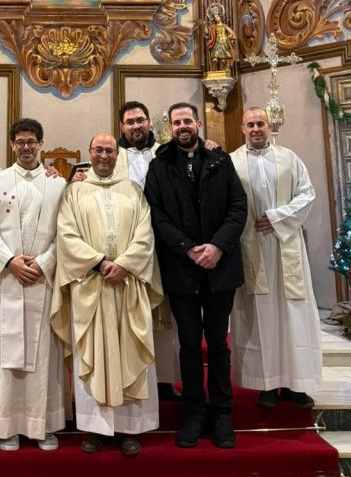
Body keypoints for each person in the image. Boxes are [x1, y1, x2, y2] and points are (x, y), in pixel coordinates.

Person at [52, 133, 162, 456]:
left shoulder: (134, 191)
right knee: (93, 354)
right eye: (98, 150)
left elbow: (145, 234)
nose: (104, 155)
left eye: (109, 150)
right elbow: (66, 235)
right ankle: (94, 428)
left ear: (118, 154)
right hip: (91, 285)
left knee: (131, 351)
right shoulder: (74, 192)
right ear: (89, 152)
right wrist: (99, 262)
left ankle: (130, 428)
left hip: (127, 286)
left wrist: (125, 265)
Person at [145, 103, 246, 450]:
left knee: (217, 344)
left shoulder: (221, 160)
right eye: (177, 122)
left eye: (187, 120)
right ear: (169, 128)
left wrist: (217, 246)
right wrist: (188, 248)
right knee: (188, 345)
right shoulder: (159, 166)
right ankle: (194, 412)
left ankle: (222, 413)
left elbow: (237, 207)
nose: (183, 126)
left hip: (220, 267)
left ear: (198, 124)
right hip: (181, 269)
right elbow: (155, 214)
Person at [0, 118, 66, 450]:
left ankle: (45, 424)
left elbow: (66, 232)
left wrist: (44, 263)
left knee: (44, 357)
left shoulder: (58, 184)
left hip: (42, 280)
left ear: (41, 144)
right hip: (8, 279)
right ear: (12, 145)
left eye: (32, 142)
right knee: (7, 355)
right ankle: (7, 425)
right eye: (20, 142)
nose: (26, 147)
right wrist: (9, 261)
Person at [230, 108, 321, 410]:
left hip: (286, 246)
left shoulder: (289, 158)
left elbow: (307, 194)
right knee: (261, 318)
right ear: (243, 129)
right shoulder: (232, 162)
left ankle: (296, 384)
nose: (256, 128)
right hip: (251, 247)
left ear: (269, 127)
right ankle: (267, 384)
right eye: (251, 124)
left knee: (294, 316)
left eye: (261, 124)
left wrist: (277, 217)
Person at [115, 101, 179, 399]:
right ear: (122, 127)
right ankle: (133, 375)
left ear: (149, 122)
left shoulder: (166, 153)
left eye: (140, 120)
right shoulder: (112, 157)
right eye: (130, 122)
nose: (136, 126)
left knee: (165, 313)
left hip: (164, 243)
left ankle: (164, 379)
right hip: (129, 245)